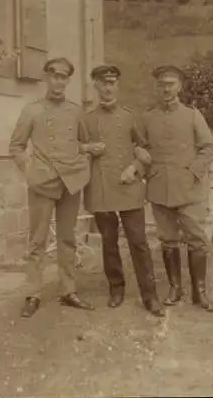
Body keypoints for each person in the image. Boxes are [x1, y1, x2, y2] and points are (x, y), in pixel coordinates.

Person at [9, 57, 94, 318]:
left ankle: (68, 290)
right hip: (42, 183)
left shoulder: (76, 111)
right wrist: (30, 170)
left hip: (70, 183)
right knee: (37, 240)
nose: (59, 81)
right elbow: (16, 147)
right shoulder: (32, 110)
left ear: (68, 80)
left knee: (68, 239)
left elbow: (85, 143)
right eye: (55, 75)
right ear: (47, 77)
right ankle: (33, 293)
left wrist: (81, 166)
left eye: (64, 77)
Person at [79, 64, 164, 318]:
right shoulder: (86, 119)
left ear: (117, 85)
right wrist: (87, 148)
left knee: (139, 242)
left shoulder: (130, 116)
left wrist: (135, 168)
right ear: (95, 85)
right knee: (109, 242)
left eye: (112, 82)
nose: (108, 87)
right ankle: (116, 288)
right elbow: (76, 146)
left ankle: (150, 295)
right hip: (101, 189)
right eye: (103, 83)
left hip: (128, 188)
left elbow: (146, 149)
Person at [139, 64, 213, 312]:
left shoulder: (192, 115)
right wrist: (140, 155)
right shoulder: (148, 117)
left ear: (180, 87)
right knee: (168, 240)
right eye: (162, 84)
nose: (166, 89)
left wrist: (194, 172)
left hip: (190, 190)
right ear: (157, 87)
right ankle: (175, 288)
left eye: (171, 84)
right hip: (160, 188)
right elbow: (140, 146)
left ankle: (199, 292)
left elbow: (208, 147)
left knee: (197, 240)